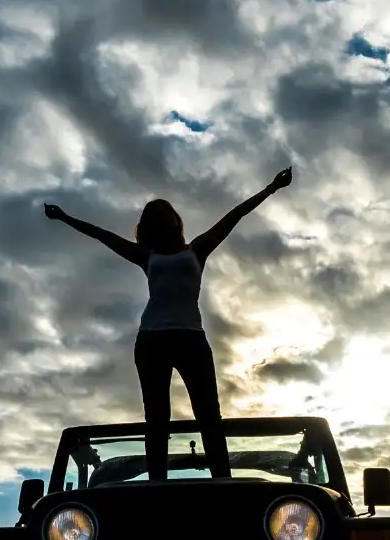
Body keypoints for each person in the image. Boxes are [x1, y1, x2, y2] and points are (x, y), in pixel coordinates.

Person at [45, 167, 293, 481]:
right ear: (150, 227)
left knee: (209, 415)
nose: (162, 216)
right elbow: (102, 235)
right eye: (155, 215)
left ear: (176, 219)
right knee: (157, 419)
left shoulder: (197, 250)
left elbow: (235, 215)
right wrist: (64, 217)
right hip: (152, 340)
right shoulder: (146, 256)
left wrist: (271, 188)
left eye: (165, 211)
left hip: (191, 339)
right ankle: (157, 484)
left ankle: (222, 481)